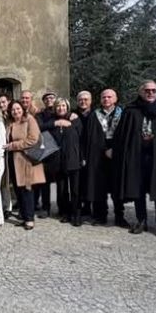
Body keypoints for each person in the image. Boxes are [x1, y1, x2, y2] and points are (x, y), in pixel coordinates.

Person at [114, 81, 156, 237]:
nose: (150, 93)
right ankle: (141, 220)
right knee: (139, 189)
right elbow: (122, 134)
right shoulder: (131, 110)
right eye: (147, 90)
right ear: (140, 92)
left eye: (154, 90)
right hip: (137, 157)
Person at [83, 89, 126, 227]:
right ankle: (100, 216)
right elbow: (90, 138)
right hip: (98, 156)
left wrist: (114, 149)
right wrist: (104, 150)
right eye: (103, 97)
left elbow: (126, 135)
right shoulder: (94, 115)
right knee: (98, 187)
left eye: (109, 97)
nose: (106, 99)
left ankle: (120, 216)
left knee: (117, 187)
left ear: (115, 98)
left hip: (118, 155)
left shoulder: (123, 114)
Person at [5, 101, 45, 230]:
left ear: (22, 109)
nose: (15, 111)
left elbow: (33, 139)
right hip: (13, 160)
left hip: (26, 159)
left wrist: (13, 145)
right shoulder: (10, 123)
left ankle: (29, 219)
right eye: (13, 110)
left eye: (18, 109)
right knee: (18, 189)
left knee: (26, 189)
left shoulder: (29, 120)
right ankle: (23, 216)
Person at [45, 99, 84, 226]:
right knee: (62, 190)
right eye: (58, 106)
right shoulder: (52, 121)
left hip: (73, 159)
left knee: (75, 190)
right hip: (58, 161)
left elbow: (82, 139)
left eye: (63, 106)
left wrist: (82, 157)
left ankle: (76, 214)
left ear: (67, 107)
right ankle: (65, 213)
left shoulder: (75, 119)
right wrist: (56, 122)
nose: (61, 108)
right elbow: (41, 128)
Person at [71, 91, 94, 221]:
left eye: (86, 99)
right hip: (77, 153)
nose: (83, 102)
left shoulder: (95, 114)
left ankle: (89, 207)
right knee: (78, 183)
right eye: (80, 99)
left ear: (90, 101)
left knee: (90, 182)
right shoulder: (73, 115)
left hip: (93, 153)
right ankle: (78, 209)